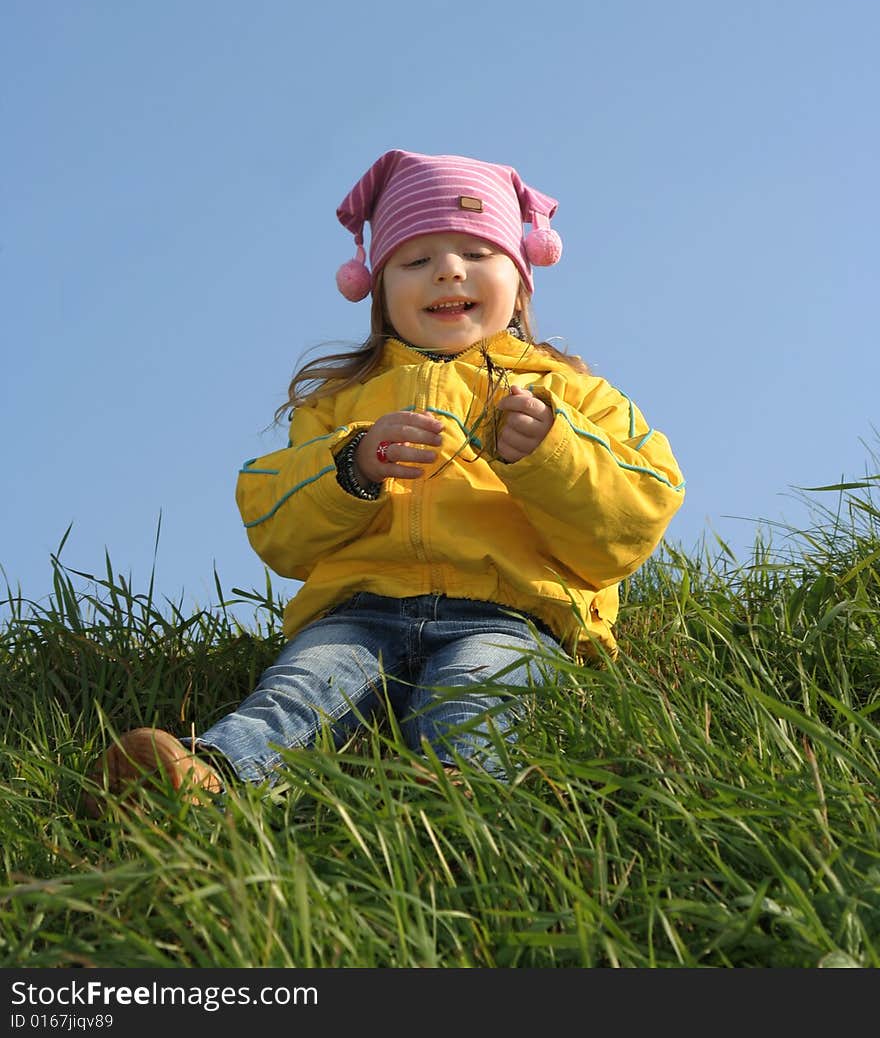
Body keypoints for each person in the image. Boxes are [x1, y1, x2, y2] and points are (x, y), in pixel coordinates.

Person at [84, 149, 685, 814]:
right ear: (379, 289)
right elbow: (274, 524)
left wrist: (552, 452)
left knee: (479, 689)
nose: (447, 270)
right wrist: (352, 466)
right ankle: (207, 781)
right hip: (359, 611)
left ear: (521, 279)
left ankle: (457, 802)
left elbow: (637, 515)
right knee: (303, 689)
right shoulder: (340, 403)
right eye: (416, 259)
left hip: (511, 613)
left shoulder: (569, 394)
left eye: (476, 254)